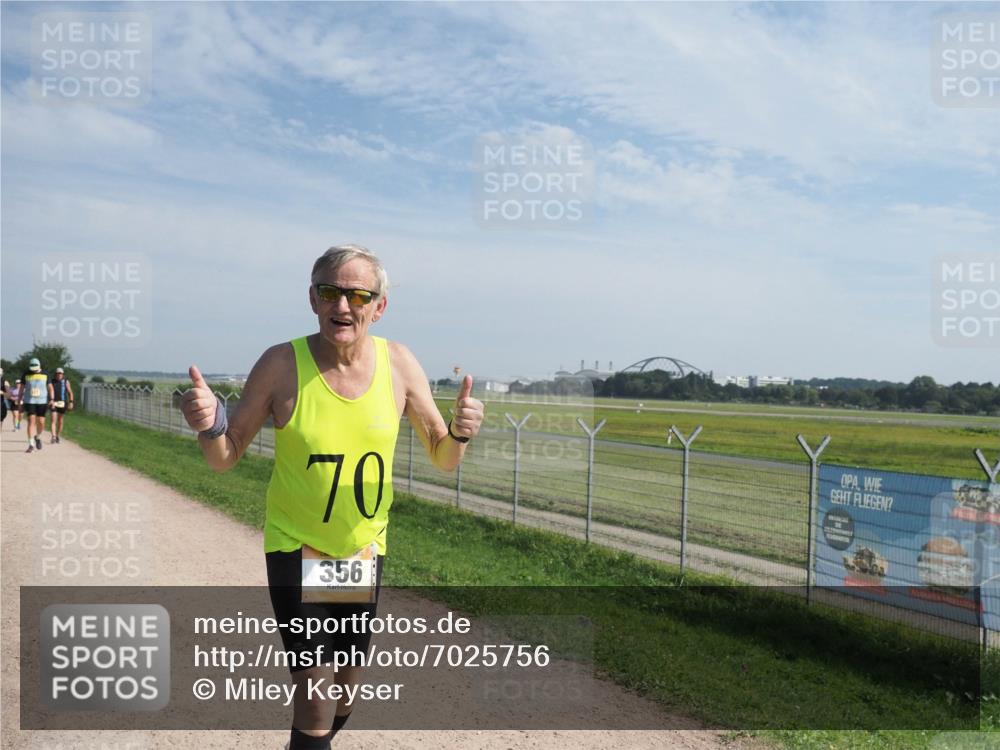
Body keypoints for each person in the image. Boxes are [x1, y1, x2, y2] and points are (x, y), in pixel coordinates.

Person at [181, 244, 484, 750]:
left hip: (360, 550)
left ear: (379, 306)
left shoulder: (400, 364)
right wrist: (210, 424)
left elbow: (443, 455)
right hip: (296, 547)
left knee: (345, 690)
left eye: (357, 295)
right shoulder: (281, 365)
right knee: (316, 695)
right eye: (330, 292)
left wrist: (459, 433)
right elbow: (224, 456)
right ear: (313, 299)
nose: (342, 306)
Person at [20, 358, 50, 453]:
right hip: (30, 400)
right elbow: (21, 388)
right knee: (31, 421)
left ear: (39, 366)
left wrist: (52, 399)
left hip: (42, 401)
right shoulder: (26, 374)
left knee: (41, 422)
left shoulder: (45, 374)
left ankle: (37, 437)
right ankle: (31, 444)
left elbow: (50, 388)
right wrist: (19, 400)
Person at [48, 367, 75, 443]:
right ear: (55, 374)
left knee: (60, 421)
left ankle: (57, 436)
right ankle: (53, 436)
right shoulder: (51, 381)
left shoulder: (66, 382)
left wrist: (71, 402)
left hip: (63, 403)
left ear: (63, 374)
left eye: (61, 373)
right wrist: (49, 400)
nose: (59, 375)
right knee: (53, 420)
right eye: (58, 373)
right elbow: (48, 390)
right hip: (54, 402)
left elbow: (70, 392)